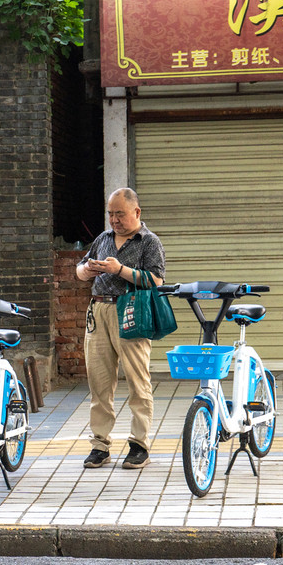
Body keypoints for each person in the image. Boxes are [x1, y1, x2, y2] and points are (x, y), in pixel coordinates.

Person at [75, 187, 165, 469]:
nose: (114, 220)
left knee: (138, 381)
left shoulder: (149, 241)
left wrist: (119, 270)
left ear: (136, 212)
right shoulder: (103, 238)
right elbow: (78, 269)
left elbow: (156, 280)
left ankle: (139, 445)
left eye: (120, 214)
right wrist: (87, 270)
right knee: (99, 383)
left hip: (132, 310)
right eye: (111, 214)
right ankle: (100, 445)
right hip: (99, 310)